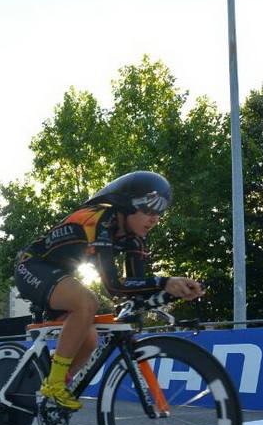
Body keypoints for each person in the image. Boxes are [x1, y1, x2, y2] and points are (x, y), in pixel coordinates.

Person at [14, 170, 203, 411]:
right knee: (88, 302)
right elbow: (113, 286)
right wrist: (165, 281)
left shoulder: (135, 239)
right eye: (147, 210)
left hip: (60, 276)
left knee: (90, 338)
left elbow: (135, 289)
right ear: (125, 205)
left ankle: (53, 386)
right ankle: (54, 384)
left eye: (158, 213)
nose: (154, 219)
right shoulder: (102, 220)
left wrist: (172, 292)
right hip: (31, 265)